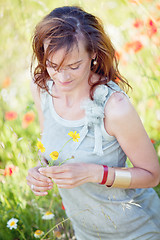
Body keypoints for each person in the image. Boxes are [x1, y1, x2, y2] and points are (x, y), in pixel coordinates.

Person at [26, 6, 160, 240]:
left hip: (137, 229)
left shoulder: (114, 106)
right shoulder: (43, 90)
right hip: (87, 233)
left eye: (73, 66)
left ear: (93, 55)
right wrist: (40, 170)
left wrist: (94, 173)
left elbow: (151, 175)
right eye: (52, 66)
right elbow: (50, 143)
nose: (62, 78)